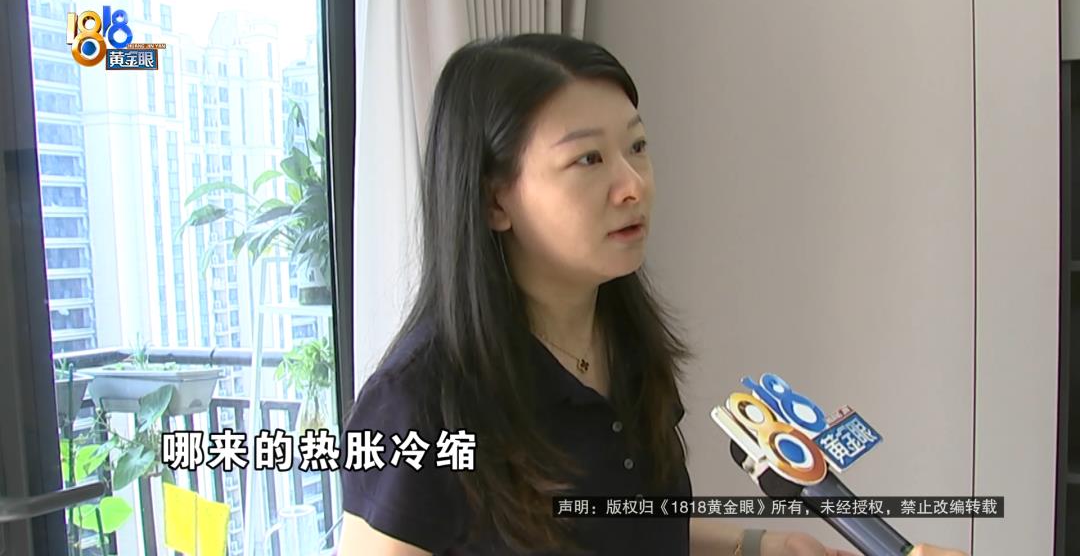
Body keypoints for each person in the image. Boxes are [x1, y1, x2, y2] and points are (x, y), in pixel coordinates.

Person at [336, 33, 967, 556]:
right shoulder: (416, 403)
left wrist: (759, 545)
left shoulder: (623, 334)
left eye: (637, 147)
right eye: (588, 160)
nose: (633, 184)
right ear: (494, 199)